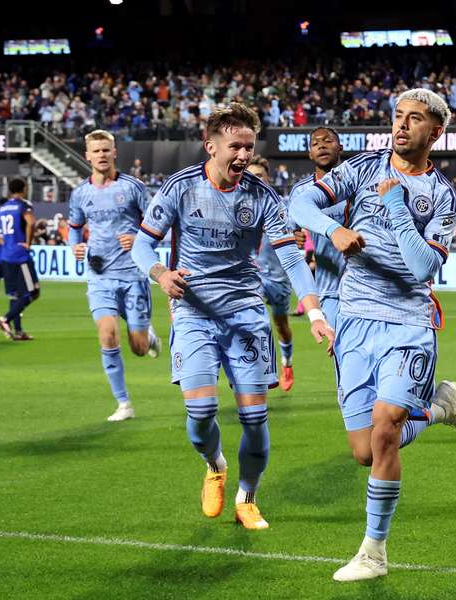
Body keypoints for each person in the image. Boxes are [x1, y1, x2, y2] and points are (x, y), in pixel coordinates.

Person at [290, 88, 456, 582]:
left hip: (409, 322)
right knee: (365, 451)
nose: (402, 126)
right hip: (354, 321)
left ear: (435, 132)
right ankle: (441, 407)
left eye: (415, 119)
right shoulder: (363, 168)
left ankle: (373, 552)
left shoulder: (441, 194)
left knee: (388, 424)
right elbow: (299, 200)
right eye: (398, 116)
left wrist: (395, 204)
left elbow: (421, 268)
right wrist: (331, 230)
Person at [130, 104, 334, 531]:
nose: (243, 154)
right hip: (193, 312)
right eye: (235, 146)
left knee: (255, 418)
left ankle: (247, 497)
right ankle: (215, 464)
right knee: (201, 413)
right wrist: (161, 273)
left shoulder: (262, 197)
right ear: (211, 146)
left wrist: (314, 311)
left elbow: (292, 258)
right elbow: (141, 246)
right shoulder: (180, 188)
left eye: (249, 146)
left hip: (245, 313)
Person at [68, 129, 162, 422]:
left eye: (106, 150)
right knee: (107, 335)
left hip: (133, 274)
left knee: (138, 348)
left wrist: (139, 240)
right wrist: (76, 246)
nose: (101, 155)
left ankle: (147, 335)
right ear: (87, 156)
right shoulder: (80, 193)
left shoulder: (133, 187)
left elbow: (157, 224)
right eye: (96, 151)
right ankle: (124, 404)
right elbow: (73, 227)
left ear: (114, 152)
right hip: (100, 275)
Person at [245, 155, 296, 391]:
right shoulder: (237, 205)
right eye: (251, 176)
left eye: (260, 176)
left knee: (280, 324)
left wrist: (299, 237)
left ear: (268, 179)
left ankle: (287, 362)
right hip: (252, 276)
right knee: (253, 321)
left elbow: (298, 232)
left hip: (278, 277)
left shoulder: (282, 206)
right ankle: (260, 370)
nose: (255, 180)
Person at [287, 127, 346, 330]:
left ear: (340, 148)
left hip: (365, 289)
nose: (321, 145)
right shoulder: (301, 191)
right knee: (343, 358)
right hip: (329, 292)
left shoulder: (358, 184)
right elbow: (287, 234)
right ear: (309, 154)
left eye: (328, 141)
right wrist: (293, 237)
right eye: (315, 143)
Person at [0, 178, 40, 341]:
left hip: (6, 256)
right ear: (24, 188)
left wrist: (2, 241)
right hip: (20, 255)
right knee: (33, 292)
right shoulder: (23, 205)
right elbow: (31, 222)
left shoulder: (3, 208)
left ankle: (18, 331)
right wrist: (28, 243)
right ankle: (5, 319)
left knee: (15, 295)